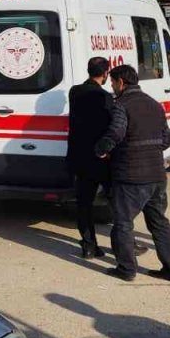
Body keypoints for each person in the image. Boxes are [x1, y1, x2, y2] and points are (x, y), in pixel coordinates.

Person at [94, 64, 170, 283]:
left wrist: (100, 149)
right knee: (159, 223)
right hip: (157, 175)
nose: (112, 86)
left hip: (131, 176)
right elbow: (166, 139)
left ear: (121, 82)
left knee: (123, 223)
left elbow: (116, 133)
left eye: (113, 82)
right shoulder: (154, 104)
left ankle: (126, 269)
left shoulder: (122, 105)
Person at [67, 57, 115, 259]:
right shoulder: (105, 96)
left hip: (79, 155)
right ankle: (123, 244)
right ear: (105, 73)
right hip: (101, 156)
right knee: (117, 202)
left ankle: (88, 245)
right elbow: (110, 126)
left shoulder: (74, 92)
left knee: (84, 203)